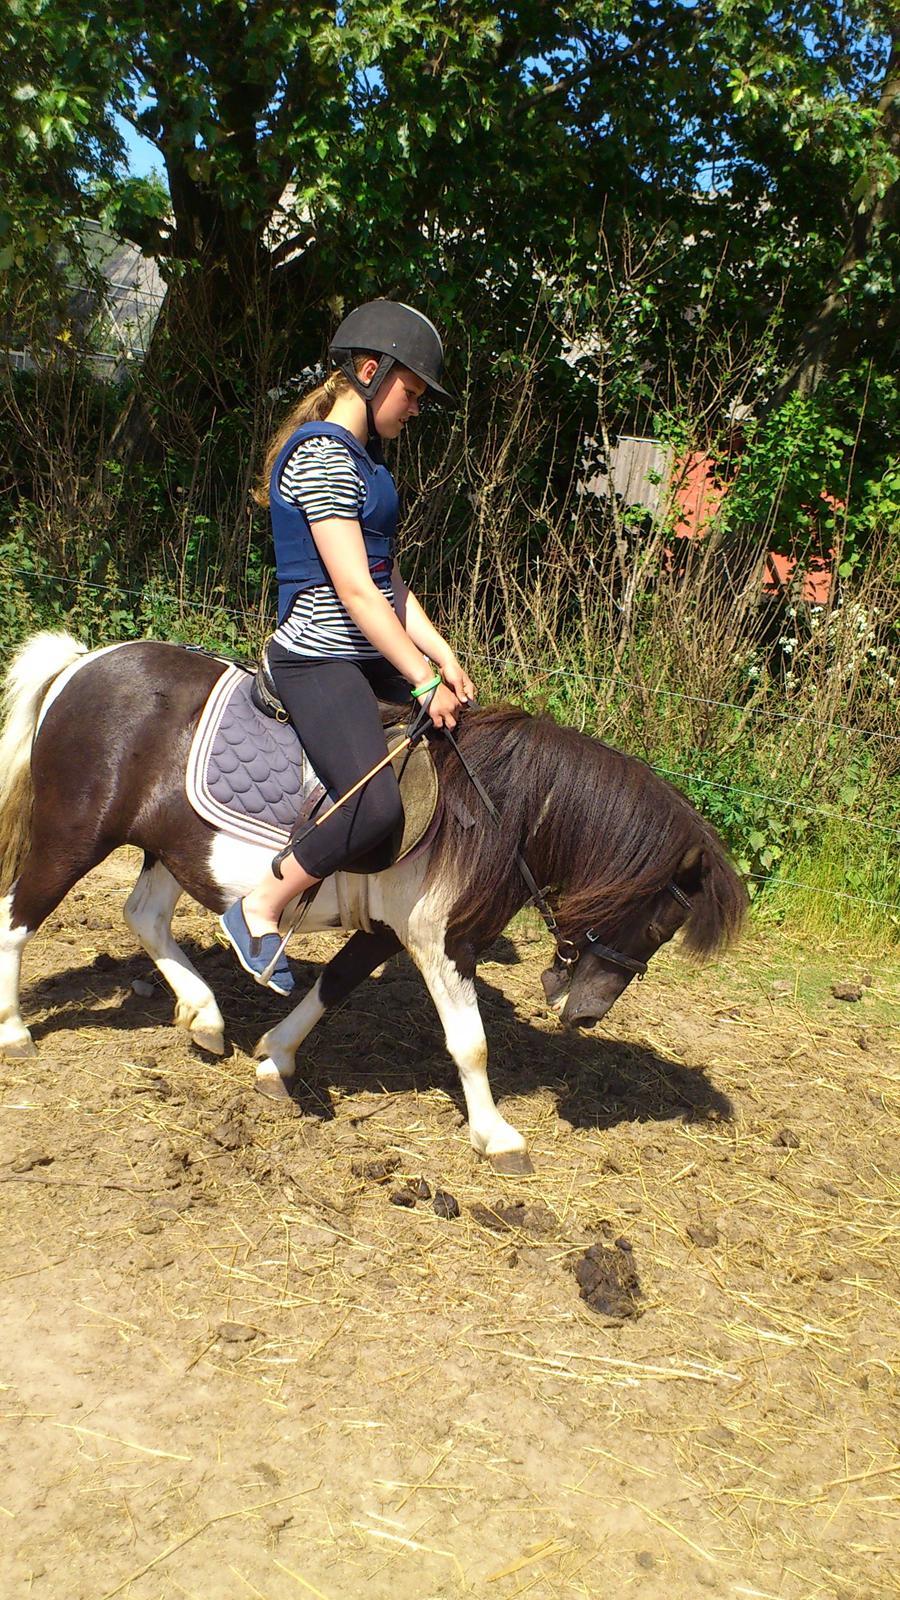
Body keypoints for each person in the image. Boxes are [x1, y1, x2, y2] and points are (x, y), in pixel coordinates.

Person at [220, 300, 475, 994]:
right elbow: (356, 592)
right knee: (374, 807)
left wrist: (442, 655)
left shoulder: (367, 462)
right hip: (317, 657)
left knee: (463, 738)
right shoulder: (324, 458)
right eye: (411, 392)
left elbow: (388, 580)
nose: (415, 408)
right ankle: (261, 905)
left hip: (365, 652)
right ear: (370, 371)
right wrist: (419, 678)